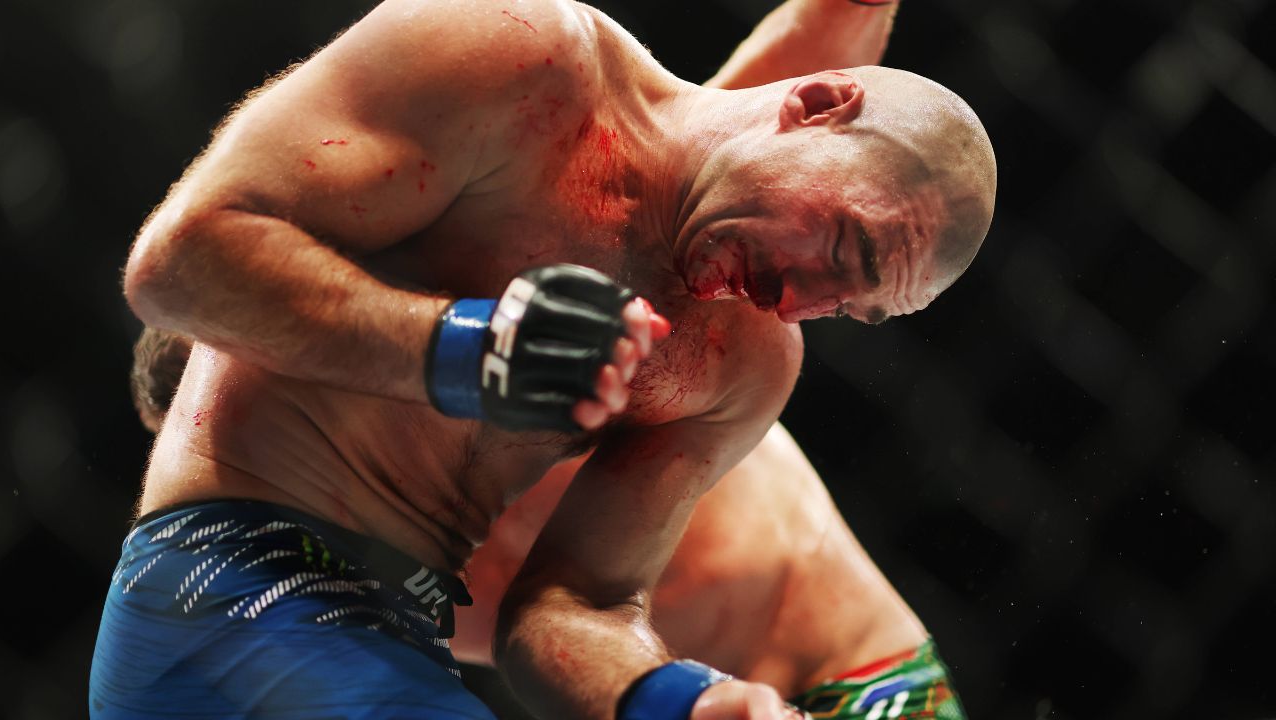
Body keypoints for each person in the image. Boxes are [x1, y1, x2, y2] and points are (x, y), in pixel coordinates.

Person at [96, 0, 995, 718]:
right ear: (817, 104)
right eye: (842, 250)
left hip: (404, 628)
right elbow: (174, 265)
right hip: (230, 588)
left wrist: (679, 701)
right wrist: (463, 347)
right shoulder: (523, 61)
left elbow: (575, 605)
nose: (798, 302)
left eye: (849, 307)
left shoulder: (743, 357)